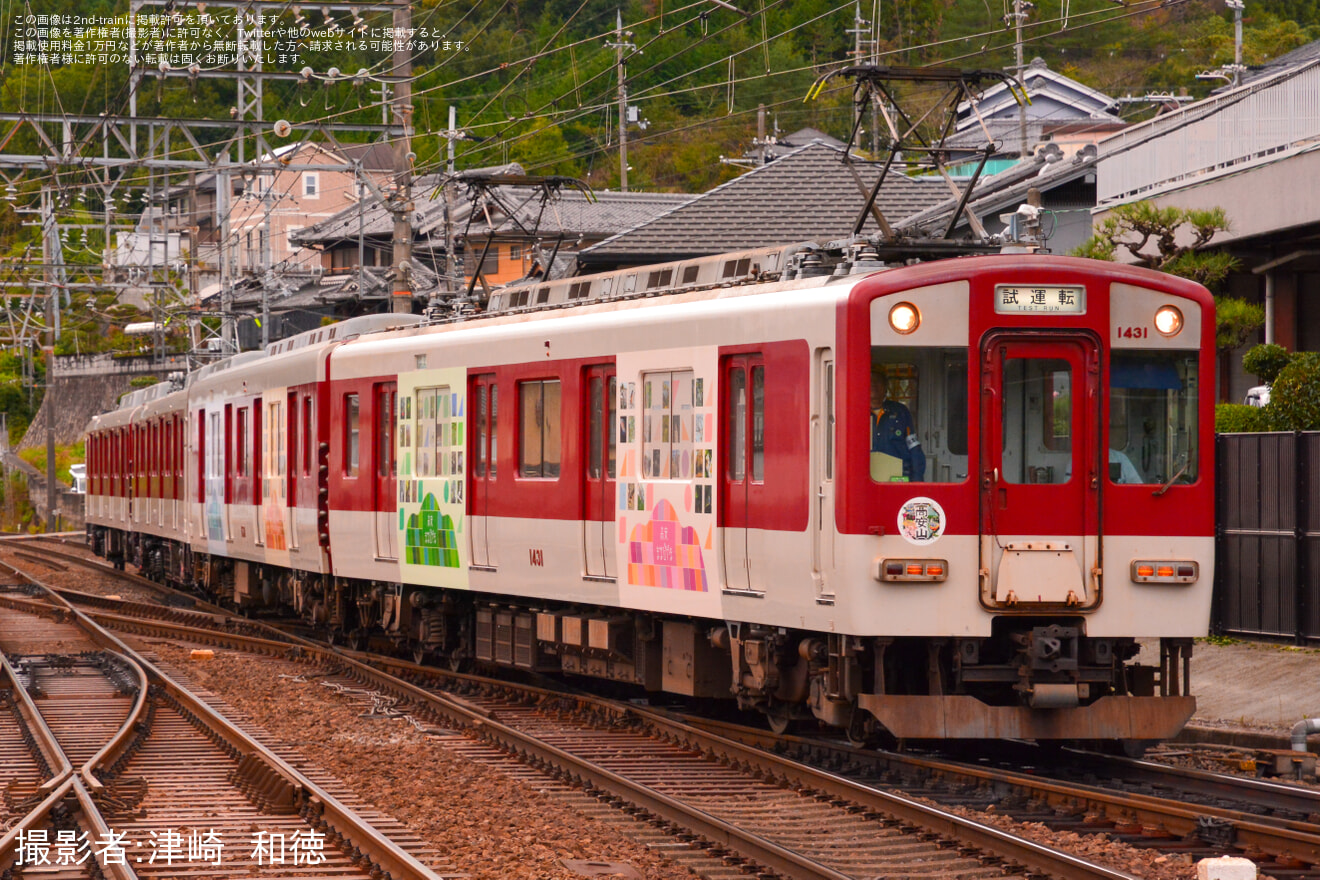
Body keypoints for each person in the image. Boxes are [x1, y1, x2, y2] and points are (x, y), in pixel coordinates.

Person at [871, 370, 925, 481]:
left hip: (897, 478)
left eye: (878, 381)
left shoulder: (900, 411)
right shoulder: (854, 411)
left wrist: (917, 480)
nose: (874, 385)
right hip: (866, 480)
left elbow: (914, 447)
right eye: (870, 381)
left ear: (886, 387)